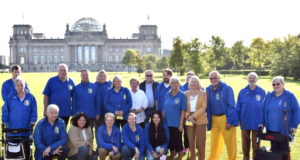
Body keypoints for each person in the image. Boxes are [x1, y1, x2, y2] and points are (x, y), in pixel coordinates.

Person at [260, 76, 299, 156]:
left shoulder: (289, 96)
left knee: (284, 153)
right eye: (273, 84)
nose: (275, 86)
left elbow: (297, 111)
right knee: (274, 152)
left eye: (278, 84)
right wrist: (262, 123)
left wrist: (294, 125)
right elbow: (264, 110)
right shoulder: (269, 96)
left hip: (284, 130)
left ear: (283, 84)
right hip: (271, 129)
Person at [2, 77, 37, 160]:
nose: (20, 87)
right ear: (15, 86)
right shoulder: (10, 97)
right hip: (12, 128)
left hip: (26, 127)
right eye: (18, 85)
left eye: (22, 85)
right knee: (12, 152)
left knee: (26, 150)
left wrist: (33, 120)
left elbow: (34, 110)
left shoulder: (30, 97)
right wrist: (4, 121)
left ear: (24, 85)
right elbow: (5, 109)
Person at [206, 71, 237, 160]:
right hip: (213, 118)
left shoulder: (227, 88)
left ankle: (232, 158)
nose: (213, 80)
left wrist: (230, 121)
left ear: (219, 78)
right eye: (211, 78)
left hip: (225, 118)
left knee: (230, 143)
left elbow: (231, 105)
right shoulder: (208, 89)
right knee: (214, 143)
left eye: (215, 77)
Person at [236, 72, 266, 160]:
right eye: (250, 78)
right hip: (244, 121)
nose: (251, 79)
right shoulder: (242, 92)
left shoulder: (262, 91)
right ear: (247, 79)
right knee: (245, 144)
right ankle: (246, 158)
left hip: (258, 123)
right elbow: (238, 106)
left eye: (253, 78)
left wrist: (263, 122)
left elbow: (265, 108)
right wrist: (238, 119)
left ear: (257, 79)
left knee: (255, 144)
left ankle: (255, 158)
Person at [162, 76, 186, 160]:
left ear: (179, 84)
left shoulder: (182, 95)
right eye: (172, 82)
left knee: (178, 142)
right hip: (167, 123)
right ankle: (172, 156)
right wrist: (162, 121)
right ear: (170, 84)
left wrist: (181, 124)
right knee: (170, 141)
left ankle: (180, 157)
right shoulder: (167, 94)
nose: (174, 84)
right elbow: (164, 109)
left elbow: (183, 110)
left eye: (176, 82)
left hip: (177, 123)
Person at [185, 76, 207, 160]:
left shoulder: (203, 93)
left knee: (201, 142)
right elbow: (183, 107)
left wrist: (193, 116)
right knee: (191, 142)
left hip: (200, 118)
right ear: (189, 83)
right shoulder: (186, 93)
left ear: (198, 83)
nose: (194, 83)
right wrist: (188, 116)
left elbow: (203, 107)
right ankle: (192, 158)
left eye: (196, 82)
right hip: (188, 119)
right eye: (192, 82)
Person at [180, 71, 195, 154]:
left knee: (195, 131)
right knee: (186, 131)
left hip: (196, 114)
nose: (189, 79)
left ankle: (195, 146)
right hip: (186, 114)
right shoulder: (182, 87)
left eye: (191, 77)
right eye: (188, 77)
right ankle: (186, 147)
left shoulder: (199, 86)